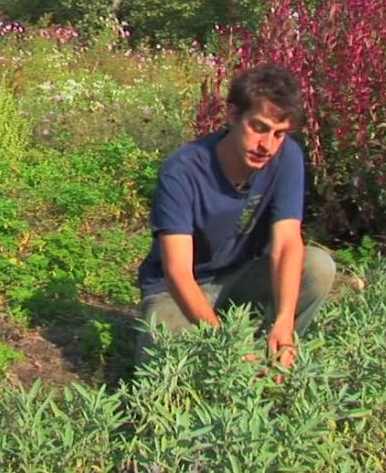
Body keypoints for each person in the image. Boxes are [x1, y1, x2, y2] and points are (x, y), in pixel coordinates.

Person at [135, 63, 336, 369]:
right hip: (177, 290)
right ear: (232, 116)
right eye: (258, 127)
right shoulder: (183, 169)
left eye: (279, 134)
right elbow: (177, 272)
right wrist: (226, 346)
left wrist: (285, 318)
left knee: (318, 267)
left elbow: (286, 244)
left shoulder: (287, 157)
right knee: (167, 356)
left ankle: (273, 354)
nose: (267, 145)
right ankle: (231, 353)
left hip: (242, 277)